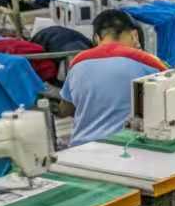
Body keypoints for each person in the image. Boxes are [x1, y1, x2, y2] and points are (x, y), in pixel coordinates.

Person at [60, 9, 167, 146]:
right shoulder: (148, 63)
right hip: (127, 148)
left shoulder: (77, 62)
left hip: (81, 149)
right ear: (134, 34)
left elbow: (65, 109)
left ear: (96, 38)